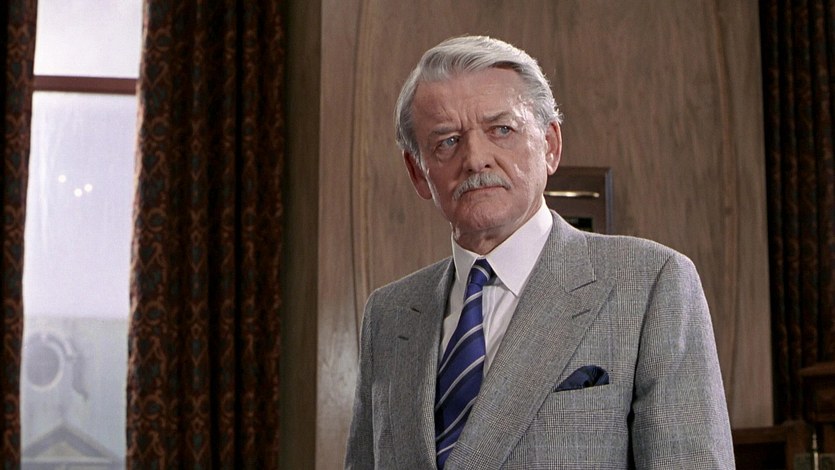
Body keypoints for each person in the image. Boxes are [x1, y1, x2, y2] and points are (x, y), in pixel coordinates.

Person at [345, 35, 735, 469]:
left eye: (502, 130)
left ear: (550, 145)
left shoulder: (651, 283)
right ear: (418, 172)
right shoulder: (389, 315)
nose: (476, 159)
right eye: (448, 141)